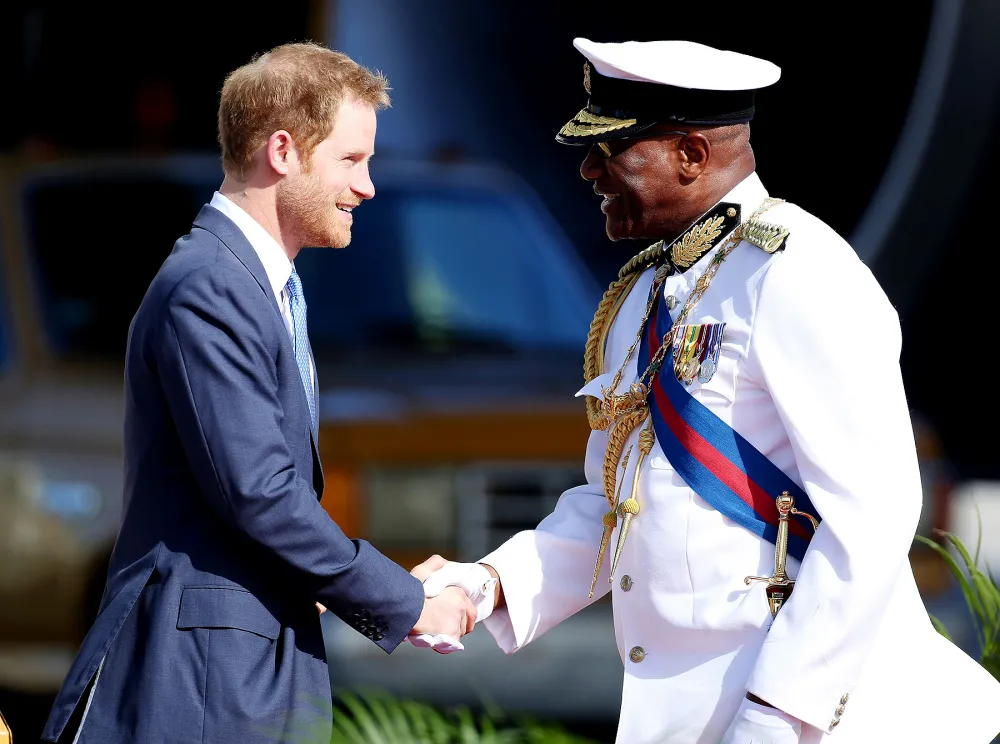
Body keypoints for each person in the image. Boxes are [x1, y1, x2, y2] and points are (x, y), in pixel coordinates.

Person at [413, 38, 1000, 743]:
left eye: (613, 150)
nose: (589, 170)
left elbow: (871, 517)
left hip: (820, 717)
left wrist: (778, 715)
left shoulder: (798, 272)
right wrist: (483, 587)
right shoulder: (644, 294)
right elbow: (615, 502)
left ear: (692, 155)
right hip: (696, 717)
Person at [41, 41, 476, 744]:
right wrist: (405, 601)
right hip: (202, 687)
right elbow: (262, 493)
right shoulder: (211, 286)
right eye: (351, 159)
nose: (367, 185)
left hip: (240, 674)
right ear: (282, 150)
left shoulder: (250, 284)